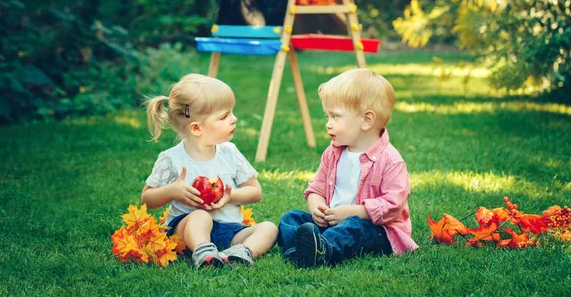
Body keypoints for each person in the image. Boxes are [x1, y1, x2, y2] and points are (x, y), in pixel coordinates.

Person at [278, 68, 418, 267]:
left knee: (354, 227)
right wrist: (317, 207)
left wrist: (353, 212)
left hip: (376, 229)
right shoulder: (333, 152)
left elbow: (393, 206)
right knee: (292, 217)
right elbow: (316, 188)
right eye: (327, 116)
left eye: (335, 116)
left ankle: (324, 250)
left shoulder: (390, 161)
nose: (328, 124)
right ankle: (301, 250)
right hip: (332, 221)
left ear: (366, 120)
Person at [142, 74, 278, 268]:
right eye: (224, 116)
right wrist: (172, 190)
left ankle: (240, 252)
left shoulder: (229, 153)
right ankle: (203, 250)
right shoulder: (171, 158)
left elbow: (255, 192)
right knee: (201, 216)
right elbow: (147, 199)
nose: (234, 119)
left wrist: (229, 196)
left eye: (231, 112)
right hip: (185, 230)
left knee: (269, 228)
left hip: (229, 230)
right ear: (197, 128)